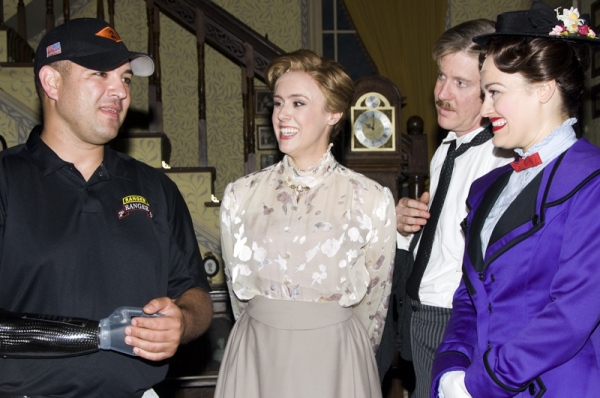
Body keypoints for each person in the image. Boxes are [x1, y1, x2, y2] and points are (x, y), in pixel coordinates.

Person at [0, 18, 213, 397]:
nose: (120, 91)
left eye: (126, 79)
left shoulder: (156, 188)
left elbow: (194, 292)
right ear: (52, 82)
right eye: (100, 73)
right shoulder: (6, 181)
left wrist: (182, 320)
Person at [432, 2, 600, 397]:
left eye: (494, 93)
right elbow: (469, 295)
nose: (485, 109)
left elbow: (570, 315)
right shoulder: (488, 187)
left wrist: (480, 382)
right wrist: (452, 364)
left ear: (544, 88)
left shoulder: (592, 181)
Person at [215, 49, 397, 398]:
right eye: (278, 102)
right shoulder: (240, 195)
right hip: (257, 354)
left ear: (333, 112)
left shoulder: (371, 199)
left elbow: (375, 304)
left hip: (335, 359)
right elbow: (239, 296)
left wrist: (347, 350)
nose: (282, 114)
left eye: (298, 103)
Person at [382, 19, 513, 397]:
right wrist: (407, 225)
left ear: (490, 91)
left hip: (459, 318)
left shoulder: (500, 157)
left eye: (460, 83)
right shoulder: (447, 149)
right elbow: (442, 232)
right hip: (421, 312)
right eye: (441, 77)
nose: (441, 93)